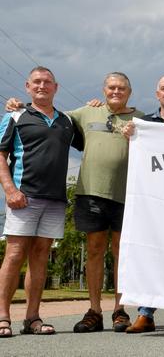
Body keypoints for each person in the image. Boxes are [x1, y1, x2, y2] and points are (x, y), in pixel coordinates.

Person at [6, 72, 146, 332]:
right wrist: (19, 105)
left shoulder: (142, 120)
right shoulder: (84, 113)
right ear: (104, 90)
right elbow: (47, 111)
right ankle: (94, 310)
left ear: (130, 92)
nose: (116, 92)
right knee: (93, 251)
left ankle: (119, 309)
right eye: (111, 87)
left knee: (121, 253)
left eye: (121, 88)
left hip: (128, 196)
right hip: (90, 193)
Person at [0, 67, 81, 337]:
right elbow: (0, 155)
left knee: (40, 258)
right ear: (27, 86)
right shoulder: (14, 115)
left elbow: (91, 136)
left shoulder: (67, 121)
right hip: (23, 197)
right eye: (37, 82)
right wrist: (10, 189)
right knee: (14, 255)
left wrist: (95, 104)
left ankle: (32, 318)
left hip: (55, 200)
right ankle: (2, 317)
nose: (42, 86)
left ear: (56, 88)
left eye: (47, 82)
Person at [121, 75, 164, 334]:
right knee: (150, 253)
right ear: (157, 93)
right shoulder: (145, 124)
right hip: (151, 200)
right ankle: (145, 314)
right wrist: (130, 135)